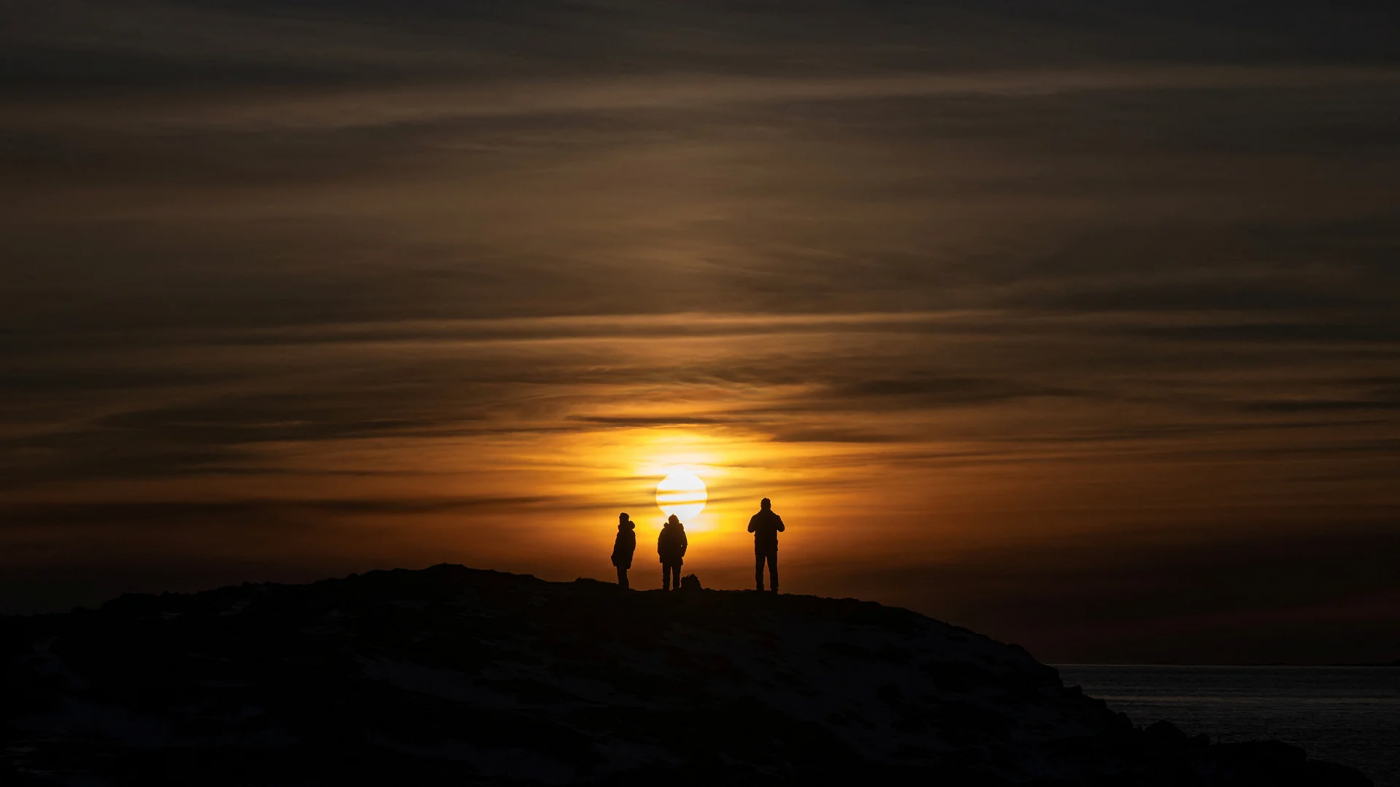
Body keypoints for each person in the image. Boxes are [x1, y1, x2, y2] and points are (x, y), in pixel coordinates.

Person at [747, 497, 784, 592]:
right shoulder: (774, 517)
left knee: (760, 568)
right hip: (770, 546)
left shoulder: (756, 517)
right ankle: (773, 588)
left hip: (761, 546)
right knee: (772, 568)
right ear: (770, 506)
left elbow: (750, 529)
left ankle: (760, 588)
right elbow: (781, 528)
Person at [657, 514, 688, 591]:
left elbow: (684, 543)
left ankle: (673, 591)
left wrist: (681, 553)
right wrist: (661, 553)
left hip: (674, 556)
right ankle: (667, 590)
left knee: (674, 576)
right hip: (668, 556)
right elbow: (660, 543)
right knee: (667, 576)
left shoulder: (678, 530)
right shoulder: (666, 530)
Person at [611, 513, 636, 589]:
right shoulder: (621, 532)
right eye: (620, 518)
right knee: (620, 574)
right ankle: (623, 589)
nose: (620, 520)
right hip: (619, 556)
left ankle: (625, 590)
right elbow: (617, 545)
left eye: (622, 518)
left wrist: (628, 557)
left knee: (622, 574)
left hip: (624, 556)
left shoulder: (629, 532)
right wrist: (614, 555)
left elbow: (631, 546)